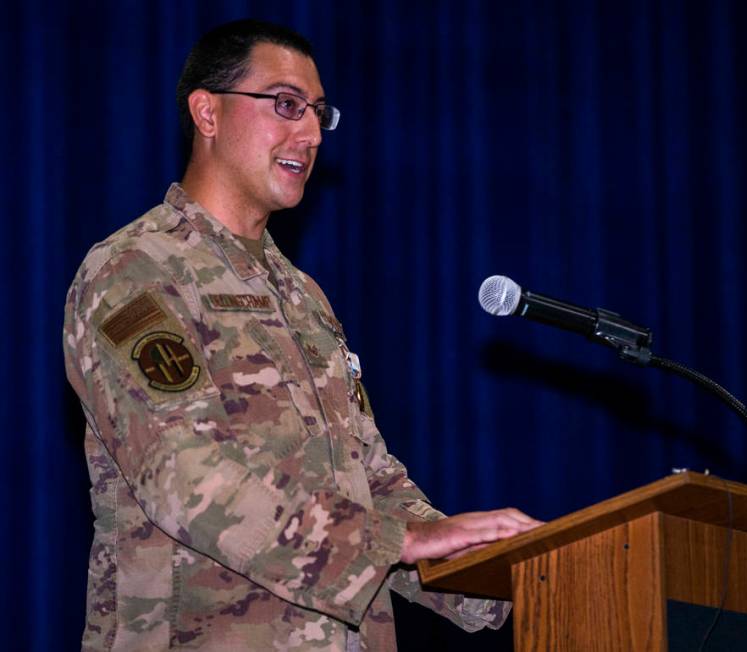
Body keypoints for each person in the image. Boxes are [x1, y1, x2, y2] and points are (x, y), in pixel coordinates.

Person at [63, 18, 541, 651]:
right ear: (207, 112)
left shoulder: (302, 295)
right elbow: (184, 475)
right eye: (286, 105)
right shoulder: (135, 269)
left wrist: (493, 571)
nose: (312, 133)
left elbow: (371, 478)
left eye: (319, 113)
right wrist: (395, 542)